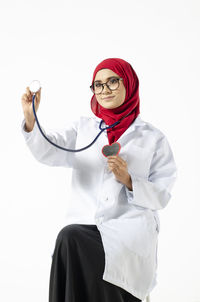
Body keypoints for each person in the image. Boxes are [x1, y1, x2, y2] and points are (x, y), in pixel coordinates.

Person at [21, 58, 177, 302]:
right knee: (70, 237)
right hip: (86, 225)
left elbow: (162, 194)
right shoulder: (84, 129)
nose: (104, 90)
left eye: (113, 81)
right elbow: (48, 150)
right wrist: (31, 119)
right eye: (98, 85)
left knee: (71, 239)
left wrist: (129, 180)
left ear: (129, 84)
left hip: (129, 230)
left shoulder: (152, 138)